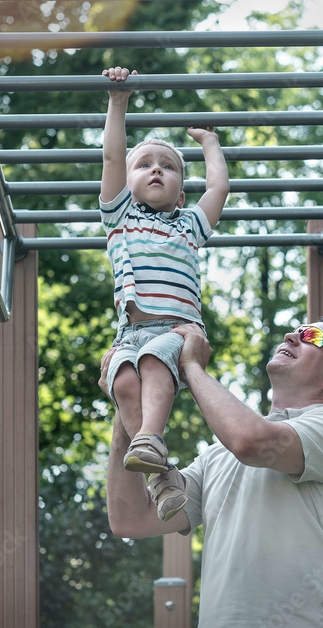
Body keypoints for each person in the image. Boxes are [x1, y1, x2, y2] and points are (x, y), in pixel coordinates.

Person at [102, 315, 323, 627]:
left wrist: (190, 366)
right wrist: (125, 407)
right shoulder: (217, 457)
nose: (290, 336)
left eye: (312, 336)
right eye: (296, 329)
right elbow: (132, 520)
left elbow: (250, 442)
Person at [99, 65, 230, 522]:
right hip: (128, 332)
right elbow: (113, 159)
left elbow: (218, 188)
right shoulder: (119, 216)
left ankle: (152, 440)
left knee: (155, 363)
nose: (157, 168)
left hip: (176, 328)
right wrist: (119, 103)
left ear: (179, 194)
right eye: (146, 164)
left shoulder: (189, 225)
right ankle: (161, 480)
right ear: (129, 183)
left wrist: (209, 144)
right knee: (122, 383)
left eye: (169, 166)